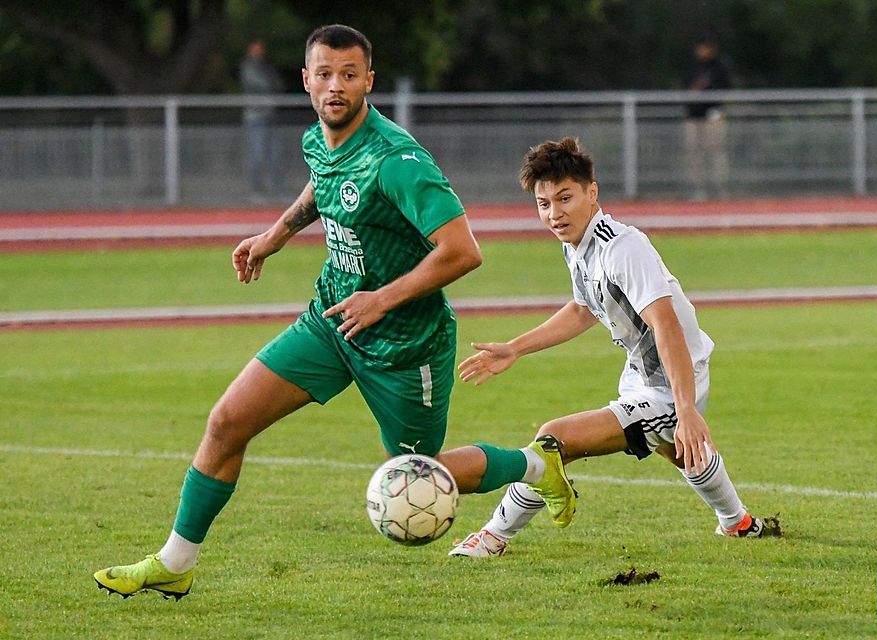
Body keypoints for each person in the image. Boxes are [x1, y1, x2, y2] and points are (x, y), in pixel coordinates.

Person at [93, 24, 575, 600]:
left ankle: (536, 468)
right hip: (329, 321)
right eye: (324, 74)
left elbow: (462, 252)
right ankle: (176, 562)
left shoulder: (399, 160)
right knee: (227, 422)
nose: (335, 86)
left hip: (404, 346)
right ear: (305, 80)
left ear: (369, 80)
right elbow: (321, 186)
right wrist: (275, 235)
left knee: (423, 474)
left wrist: (382, 299)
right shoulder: (316, 140)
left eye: (349, 75)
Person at [449, 137, 766, 558]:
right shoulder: (578, 245)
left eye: (565, 198)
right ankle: (739, 524)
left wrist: (686, 407)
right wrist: (516, 348)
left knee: (552, 438)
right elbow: (583, 309)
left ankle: (492, 537)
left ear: (591, 193)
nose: (554, 213)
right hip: (642, 373)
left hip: (672, 380)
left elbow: (666, 324)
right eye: (543, 204)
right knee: (682, 452)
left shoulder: (622, 247)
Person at [682, 37, 731, 201]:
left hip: (713, 116)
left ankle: (720, 188)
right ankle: (699, 189)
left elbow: (724, 89)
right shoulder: (692, 68)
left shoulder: (719, 68)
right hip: (694, 116)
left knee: (716, 151)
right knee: (695, 153)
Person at [240, 39, 284, 197]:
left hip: (270, 115)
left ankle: (276, 189)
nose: (259, 52)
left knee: (275, 154)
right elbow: (262, 84)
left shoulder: (267, 67)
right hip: (255, 116)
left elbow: (278, 84)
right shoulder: (248, 67)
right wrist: (270, 84)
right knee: (256, 154)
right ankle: (255, 190)